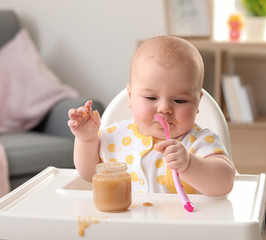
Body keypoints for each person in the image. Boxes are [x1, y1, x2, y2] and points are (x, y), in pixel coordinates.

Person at [68, 36, 235, 196]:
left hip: (182, 224)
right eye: (151, 98)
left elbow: (225, 183)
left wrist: (190, 165)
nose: (164, 108)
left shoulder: (199, 142)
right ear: (131, 96)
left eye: (179, 100)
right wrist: (87, 139)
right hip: (127, 223)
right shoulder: (114, 137)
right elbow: (89, 174)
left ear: (197, 103)